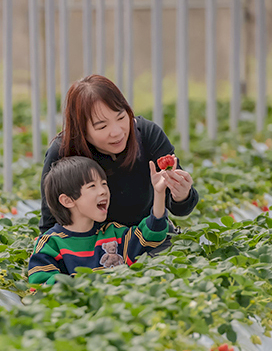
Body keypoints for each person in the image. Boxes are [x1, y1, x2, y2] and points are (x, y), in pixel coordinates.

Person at [39, 75, 198, 253]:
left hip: (147, 240)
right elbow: (50, 221)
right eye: (101, 127)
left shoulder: (146, 135)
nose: (116, 132)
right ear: (81, 130)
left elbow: (181, 208)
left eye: (121, 117)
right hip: (92, 250)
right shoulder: (63, 152)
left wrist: (182, 195)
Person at [28, 156, 169, 285]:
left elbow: (151, 235)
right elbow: (41, 286)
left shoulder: (115, 233)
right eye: (92, 186)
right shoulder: (51, 243)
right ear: (68, 200)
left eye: (104, 183)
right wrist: (81, 283)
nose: (103, 191)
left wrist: (159, 192)